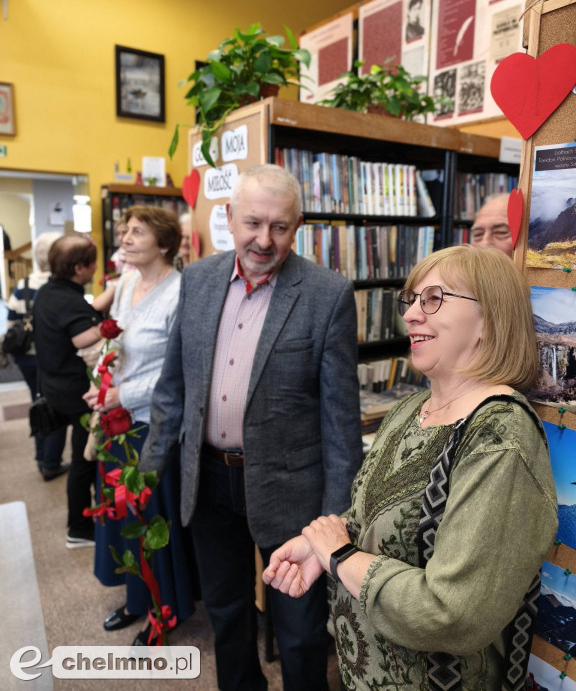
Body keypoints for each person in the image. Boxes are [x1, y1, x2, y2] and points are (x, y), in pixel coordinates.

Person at [264, 245, 557, 691]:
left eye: (434, 299)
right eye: (412, 299)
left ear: (489, 320)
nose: (411, 316)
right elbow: (381, 513)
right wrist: (320, 547)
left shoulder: (499, 437)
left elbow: (454, 614)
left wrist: (340, 557)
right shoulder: (410, 409)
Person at [140, 164, 363, 691]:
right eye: (253, 223)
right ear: (228, 218)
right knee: (226, 611)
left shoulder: (327, 294)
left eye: (280, 227)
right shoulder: (196, 280)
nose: (264, 239)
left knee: (301, 630)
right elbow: (173, 385)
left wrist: (336, 520)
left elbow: (340, 420)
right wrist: (148, 471)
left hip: (293, 491)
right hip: (211, 482)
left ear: (298, 225)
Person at [83, 205, 197, 646]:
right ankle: (136, 597)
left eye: (137, 232)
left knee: (150, 518)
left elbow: (180, 369)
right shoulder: (126, 281)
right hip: (115, 422)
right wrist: (101, 388)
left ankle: (162, 608)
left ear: (165, 244)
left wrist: (123, 396)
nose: (126, 238)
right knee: (120, 514)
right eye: (125, 230)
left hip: (152, 425)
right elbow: (115, 348)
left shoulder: (180, 292)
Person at [33, 235, 103, 548]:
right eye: (92, 263)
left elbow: (81, 312)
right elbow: (84, 338)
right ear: (79, 268)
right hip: (76, 394)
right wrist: (121, 323)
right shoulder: (69, 301)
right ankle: (78, 527)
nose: (95, 269)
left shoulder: (50, 291)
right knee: (84, 459)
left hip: (53, 385)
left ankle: (82, 521)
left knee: (80, 458)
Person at [6, 231, 67, 479]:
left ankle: (42, 456)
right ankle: (51, 462)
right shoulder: (59, 288)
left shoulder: (23, 286)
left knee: (37, 402)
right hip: (52, 360)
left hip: (25, 359)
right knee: (55, 408)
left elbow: (10, 325)